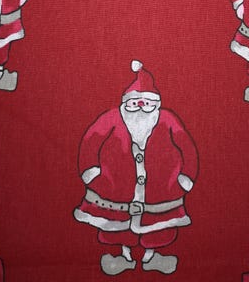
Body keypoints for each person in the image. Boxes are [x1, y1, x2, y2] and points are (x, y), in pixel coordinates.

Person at [74, 60, 199, 275]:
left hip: (162, 192)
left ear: (155, 103)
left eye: (146, 102)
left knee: (159, 229)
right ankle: (123, 257)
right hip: (113, 189)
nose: (140, 106)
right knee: (116, 228)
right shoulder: (111, 118)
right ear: (127, 102)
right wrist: (91, 171)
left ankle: (152, 257)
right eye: (135, 102)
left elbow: (186, 145)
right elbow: (91, 142)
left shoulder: (167, 119)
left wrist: (185, 177)